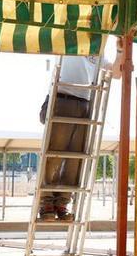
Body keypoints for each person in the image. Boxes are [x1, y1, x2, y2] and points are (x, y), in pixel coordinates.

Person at [38, 39, 123, 221]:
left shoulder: (97, 54)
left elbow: (116, 73)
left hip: (85, 103)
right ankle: (46, 203)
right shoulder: (70, 40)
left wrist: (120, 51)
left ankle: (62, 202)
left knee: (76, 159)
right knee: (54, 155)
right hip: (63, 98)